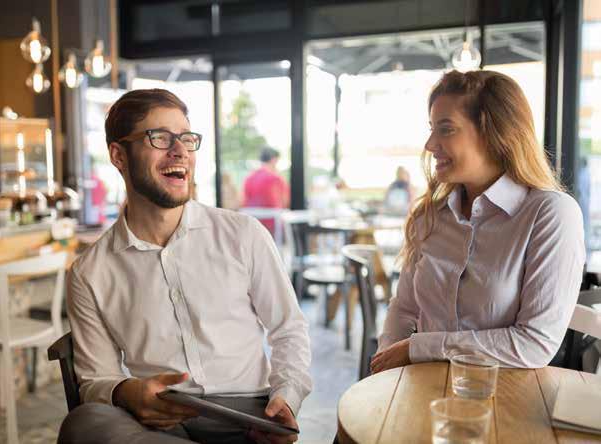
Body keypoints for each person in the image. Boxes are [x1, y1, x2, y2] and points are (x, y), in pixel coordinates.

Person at [58, 89, 312, 444]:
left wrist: (286, 396)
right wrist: (128, 393)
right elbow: (96, 380)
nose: (179, 151)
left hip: (248, 416)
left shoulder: (243, 235)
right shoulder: (89, 272)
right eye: (159, 138)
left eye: (187, 139)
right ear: (118, 155)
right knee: (85, 422)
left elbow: (288, 330)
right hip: (160, 423)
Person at [371, 70, 585, 374]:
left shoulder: (550, 214)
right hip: (422, 390)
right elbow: (404, 308)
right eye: (432, 129)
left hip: (505, 400)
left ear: (494, 133)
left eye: (446, 129)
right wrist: (386, 364)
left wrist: (418, 348)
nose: (430, 145)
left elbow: (535, 343)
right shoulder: (428, 216)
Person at [242, 147, 290, 235]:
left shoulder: (249, 178)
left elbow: (243, 200)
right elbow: (284, 201)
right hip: (272, 224)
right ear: (274, 160)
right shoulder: (276, 178)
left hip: (252, 223)